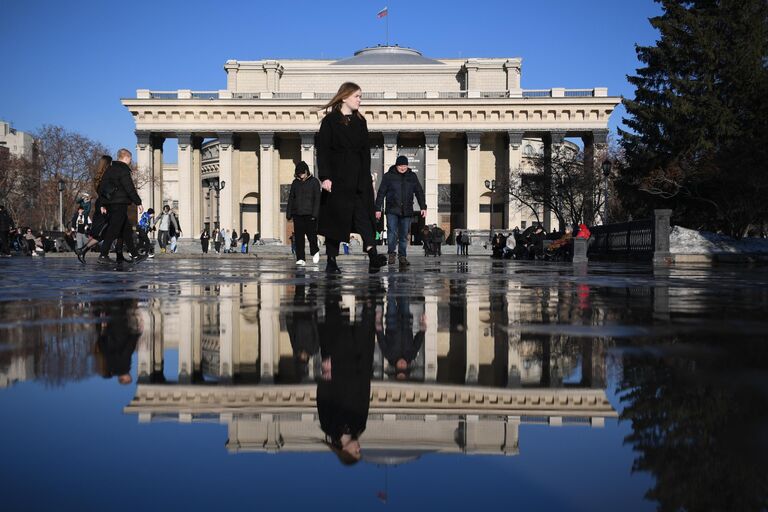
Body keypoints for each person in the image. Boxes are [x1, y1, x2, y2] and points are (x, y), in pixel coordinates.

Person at [316, 82, 388, 274]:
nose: (360, 100)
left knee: (364, 217)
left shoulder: (361, 122)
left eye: (360, 96)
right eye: (357, 96)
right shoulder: (330, 121)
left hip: (358, 178)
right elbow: (323, 151)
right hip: (337, 179)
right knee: (336, 221)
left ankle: (373, 255)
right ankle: (331, 259)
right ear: (345, 97)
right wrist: (325, 177)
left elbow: (365, 152)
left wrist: (367, 177)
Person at [317, 283, 376, 465]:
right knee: (366, 317)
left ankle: (332, 283)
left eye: (356, 452)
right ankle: (369, 292)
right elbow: (365, 394)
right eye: (360, 451)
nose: (359, 449)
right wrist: (367, 368)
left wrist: (326, 372)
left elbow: (323, 398)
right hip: (359, 364)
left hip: (339, 367)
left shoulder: (329, 426)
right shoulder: (360, 426)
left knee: (336, 321)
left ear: (345, 451)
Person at [96, 148, 147, 265]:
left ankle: (135, 255)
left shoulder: (110, 169)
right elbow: (129, 187)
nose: (131, 161)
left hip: (111, 203)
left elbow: (102, 187)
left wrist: (103, 203)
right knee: (113, 229)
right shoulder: (123, 170)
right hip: (120, 203)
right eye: (130, 159)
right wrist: (138, 202)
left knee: (127, 230)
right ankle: (103, 254)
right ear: (126, 157)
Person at [374, 155, 427, 267]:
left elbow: (419, 192)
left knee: (403, 235)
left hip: (407, 210)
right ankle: (392, 254)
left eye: (405, 166)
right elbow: (381, 193)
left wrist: (423, 207)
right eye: (401, 166)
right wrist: (377, 209)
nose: (403, 168)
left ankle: (402, 256)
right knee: (392, 232)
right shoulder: (388, 176)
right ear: (396, 165)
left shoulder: (412, 176)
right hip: (392, 209)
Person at [75, 155, 111, 263]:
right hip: (104, 205)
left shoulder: (98, 177)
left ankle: (82, 250)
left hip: (101, 204)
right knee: (104, 233)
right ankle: (87, 251)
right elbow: (105, 193)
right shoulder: (106, 177)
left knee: (102, 234)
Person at [286, 160, 322, 265]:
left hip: (310, 214)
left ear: (306, 171)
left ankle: (315, 251)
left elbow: (317, 199)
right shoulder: (295, 183)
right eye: (299, 174)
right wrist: (289, 213)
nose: (301, 175)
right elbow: (291, 198)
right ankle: (300, 258)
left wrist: (315, 214)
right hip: (297, 214)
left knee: (311, 236)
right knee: (299, 238)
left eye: (302, 173)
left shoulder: (314, 182)